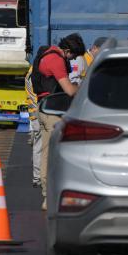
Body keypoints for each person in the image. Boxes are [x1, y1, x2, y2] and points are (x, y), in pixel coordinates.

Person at [31, 34, 85, 210]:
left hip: (46, 108)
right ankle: (48, 197)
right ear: (67, 51)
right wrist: (85, 88)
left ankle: (53, 193)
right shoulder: (56, 60)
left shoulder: (48, 54)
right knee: (50, 153)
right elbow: (69, 90)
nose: (74, 59)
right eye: (74, 56)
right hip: (52, 111)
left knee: (52, 151)